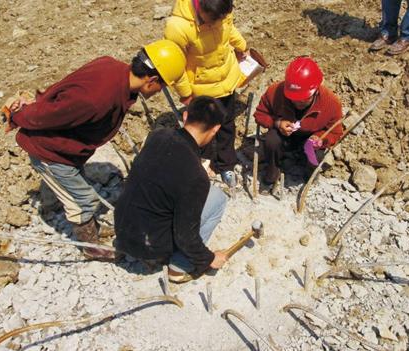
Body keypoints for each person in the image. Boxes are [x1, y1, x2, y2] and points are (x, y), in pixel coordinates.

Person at [4, 40, 187, 260]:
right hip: (50, 152)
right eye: (163, 86)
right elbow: (50, 115)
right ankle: (90, 247)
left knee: (78, 187)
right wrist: (19, 116)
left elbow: (66, 88)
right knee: (82, 200)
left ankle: (92, 230)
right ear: (152, 80)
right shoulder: (98, 99)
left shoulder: (112, 68)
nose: (160, 92)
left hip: (66, 150)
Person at [114, 96, 229, 283]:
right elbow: (186, 236)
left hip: (122, 231)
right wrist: (208, 259)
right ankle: (179, 265)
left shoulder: (158, 136)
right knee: (218, 198)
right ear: (215, 129)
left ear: (185, 116)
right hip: (151, 246)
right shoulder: (196, 176)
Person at [164, 0, 248, 188]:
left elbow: (230, 29)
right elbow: (175, 66)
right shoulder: (177, 27)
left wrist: (241, 45)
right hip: (200, 87)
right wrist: (185, 93)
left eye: (222, 19)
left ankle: (226, 164)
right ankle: (204, 160)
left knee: (226, 124)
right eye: (212, 21)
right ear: (200, 7)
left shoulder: (221, 12)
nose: (218, 24)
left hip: (226, 79)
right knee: (203, 127)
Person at [254, 56, 343, 186]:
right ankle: (273, 172)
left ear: (316, 90)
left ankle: (310, 174)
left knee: (314, 153)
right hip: (285, 136)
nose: (297, 102)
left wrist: (320, 139)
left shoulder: (331, 103)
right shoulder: (275, 92)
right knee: (271, 140)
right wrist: (278, 123)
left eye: (303, 98)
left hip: (310, 139)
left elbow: (335, 132)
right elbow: (260, 114)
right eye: (293, 98)